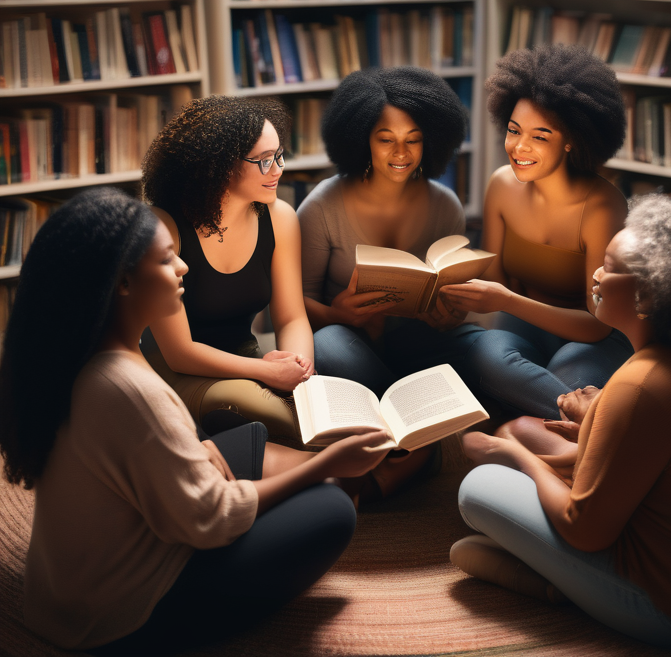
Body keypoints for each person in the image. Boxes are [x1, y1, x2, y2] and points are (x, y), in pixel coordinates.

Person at [0, 188, 389, 653]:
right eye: (167, 260)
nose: (183, 267)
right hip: (118, 616)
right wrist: (325, 466)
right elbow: (213, 518)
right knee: (331, 510)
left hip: (73, 589)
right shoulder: (127, 390)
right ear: (122, 282)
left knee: (242, 442)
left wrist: (198, 448)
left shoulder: (87, 351)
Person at [451, 194, 671, 647]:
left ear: (647, 294)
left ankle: (562, 588)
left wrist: (513, 456)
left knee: (476, 489)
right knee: (526, 432)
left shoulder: (640, 385)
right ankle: (553, 574)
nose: (596, 275)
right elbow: (669, 457)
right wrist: (594, 427)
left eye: (608, 266)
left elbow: (585, 529)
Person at [440, 44, 634, 419]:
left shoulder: (602, 205)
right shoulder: (500, 185)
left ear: (571, 139)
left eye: (539, 136)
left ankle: (582, 429)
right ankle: (584, 425)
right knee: (485, 354)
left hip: (593, 336)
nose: (519, 147)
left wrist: (507, 302)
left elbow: (597, 325)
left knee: (563, 378)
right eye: (514, 131)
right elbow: (496, 283)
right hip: (523, 327)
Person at [298, 65, 485, 398]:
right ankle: (414, 405)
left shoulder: (445, 204)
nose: (402, 153)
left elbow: (454, 296)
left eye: (413, 140)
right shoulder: (322, 206)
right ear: (362, 139)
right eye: (386, 140)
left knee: (492, 345)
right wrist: (336, 314)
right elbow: (294, 302)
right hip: (345, 337)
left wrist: (451, 315)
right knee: (328, 346)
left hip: (418, 340)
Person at [141, 95, 313, 438]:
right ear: (218, 165)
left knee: (313, 416)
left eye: (279, 156)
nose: (278, 170)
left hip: (248, 360)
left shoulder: (280, 218)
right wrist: (265, 373)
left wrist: (300, 372)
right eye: (264, 161)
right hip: (178, 371)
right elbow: (179, 353)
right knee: (283, 423)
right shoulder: (163, 227)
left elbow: (292, 317)